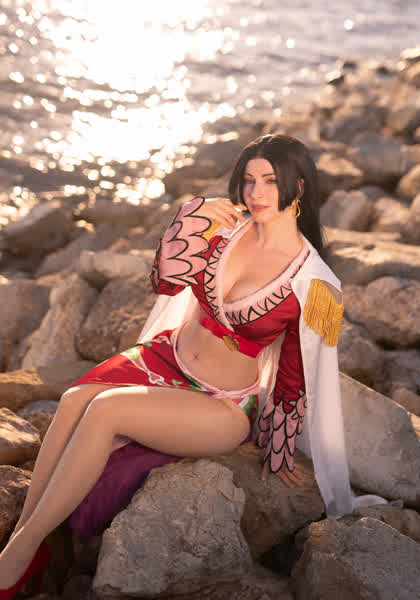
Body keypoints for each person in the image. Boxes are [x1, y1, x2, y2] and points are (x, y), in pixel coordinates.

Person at [0, 133, 383, 598]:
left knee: (103, 411)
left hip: (221, 404)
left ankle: (17, 556)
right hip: (167, 356)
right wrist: (188, 218)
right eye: (248, 180)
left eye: (270, 181)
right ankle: (27, 537)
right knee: (73, 399)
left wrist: (279, 445)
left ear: (298, 186)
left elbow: (298, 373)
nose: (256, 193)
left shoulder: (317, 282)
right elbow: (165, 283)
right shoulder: (225, 228)